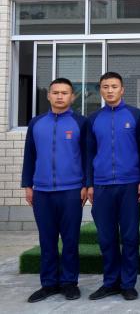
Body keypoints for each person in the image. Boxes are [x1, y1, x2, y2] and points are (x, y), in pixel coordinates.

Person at [22, 78, 89, 303]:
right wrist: (28, 185)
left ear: (73, 97)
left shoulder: (81, 122)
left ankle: (69, 283)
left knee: (70, 239)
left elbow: (87, 156)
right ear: (48, 95)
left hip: (71, 190)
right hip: (41, 191)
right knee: (47, 240)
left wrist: (85, 184)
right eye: (56, 92)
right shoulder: (36, 123)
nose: (60, 96)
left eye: (65, 92)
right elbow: (30, 155)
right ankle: (49, 284)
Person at [86, 72, 140, 301]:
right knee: (106, 237)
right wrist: (89, 183)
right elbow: (88, 153)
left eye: (114, 86)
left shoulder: (136, 115)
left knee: (130, 237)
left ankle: (128, 283)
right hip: (102, 186)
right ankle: (110, 282)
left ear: (122, 90)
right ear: (100, 90)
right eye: (105, 87)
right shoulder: (93, 118)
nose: (110, 90)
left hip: (129, 185)